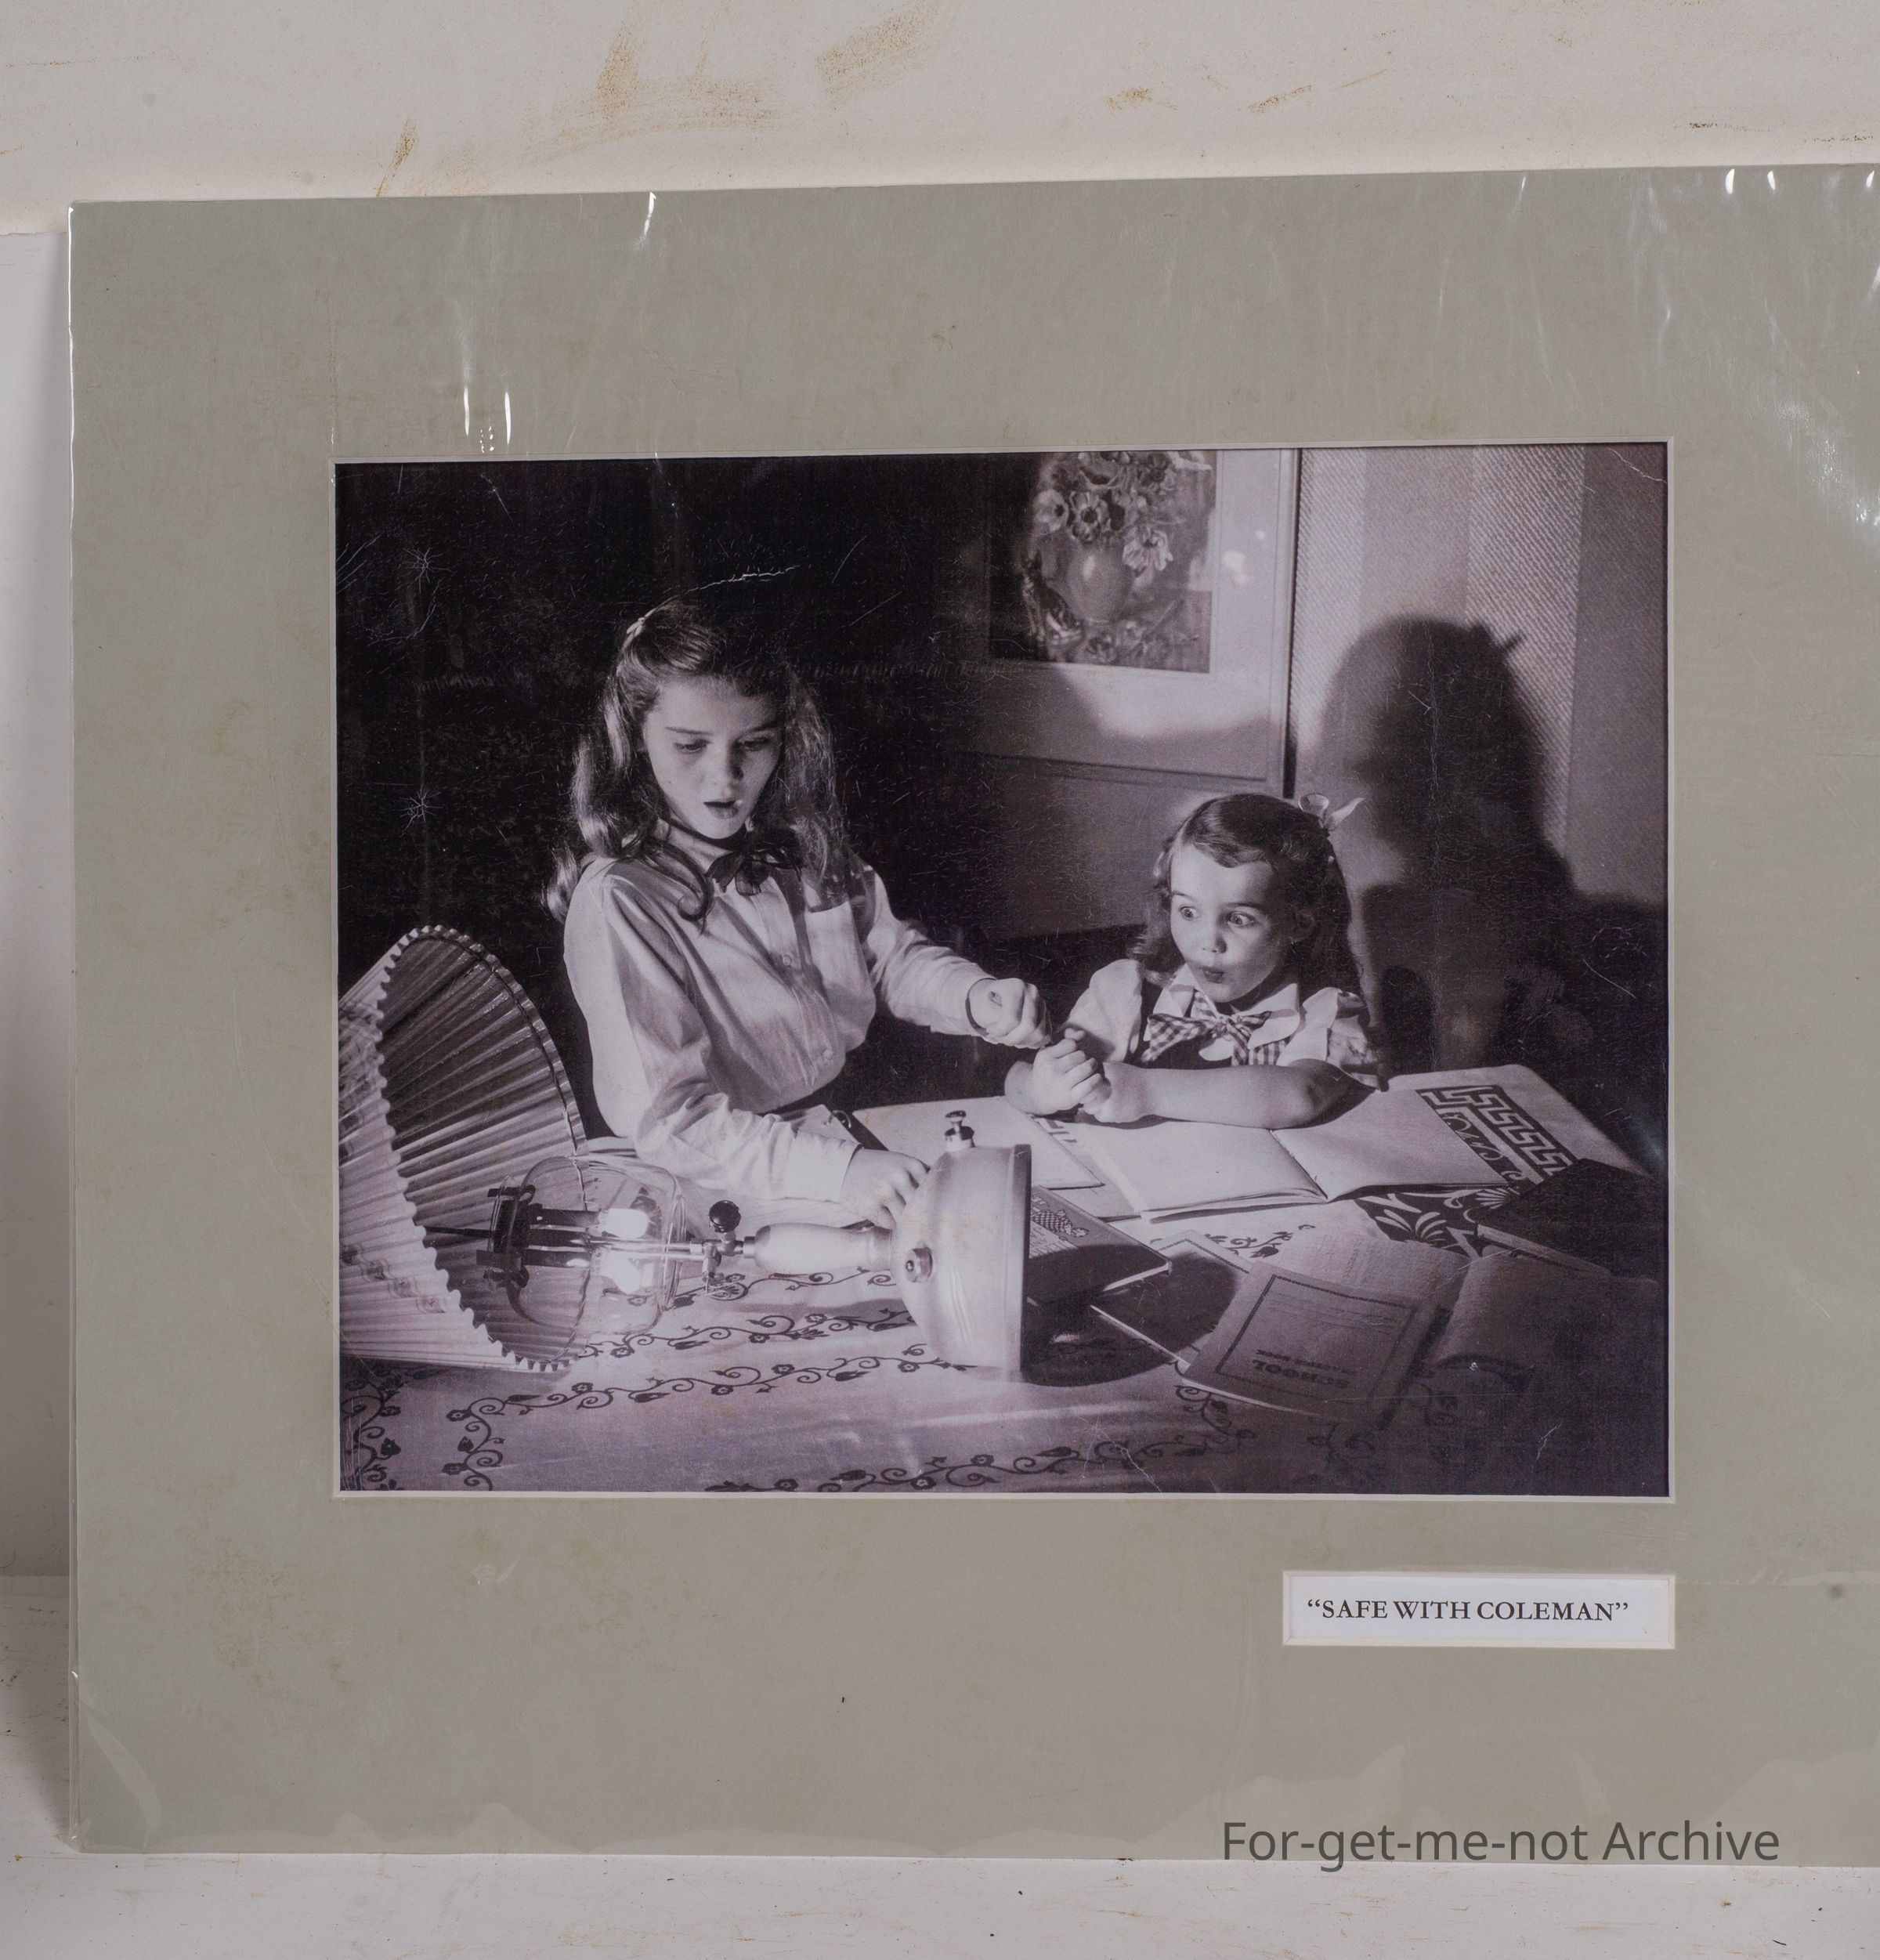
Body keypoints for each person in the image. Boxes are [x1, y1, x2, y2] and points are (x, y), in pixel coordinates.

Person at [547, 597, 1048, 1224]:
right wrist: (838, 1172)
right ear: (635, 739)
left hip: (843, 1131)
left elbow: (888, 960)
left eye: (754, 743)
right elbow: (674, 1122)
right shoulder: (622, 900)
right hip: (721, 1181)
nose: (725, 776)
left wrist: (974, 997)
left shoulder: (797, 847)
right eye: (691, 745)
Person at [1005, 793, 1381, 1129]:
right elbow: (1018, 1079)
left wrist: (1147, 1091)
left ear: (1298, 923)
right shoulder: (1126, 991)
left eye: (1239, 919)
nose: (1208, 943)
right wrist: (1040, 1090)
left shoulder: (1326, 1010)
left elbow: (1301, 1094)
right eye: (1188, 912)